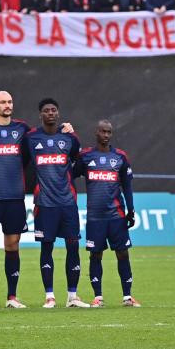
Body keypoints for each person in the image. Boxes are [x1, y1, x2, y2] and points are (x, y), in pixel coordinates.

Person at [0, 91, 72, 308]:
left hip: (15, 197)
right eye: (2, 102)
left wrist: (65, 129)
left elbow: (45, 136)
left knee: (12, 245)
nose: (7, 105)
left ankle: (12, 296)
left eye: (9, 102)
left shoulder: (22, 129)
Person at [22, 98, 90, 308]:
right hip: (44, 204)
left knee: (72, 247)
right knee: (46, 249)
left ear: (58, 114)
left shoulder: (69, 139)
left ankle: (72, 296)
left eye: (53, 110)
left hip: (67, 203)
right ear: (40, 115)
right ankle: (49, 296)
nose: (50, 113)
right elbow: (22, 164)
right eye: (46, 110)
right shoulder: (31, 138)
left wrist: (73, 133)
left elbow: (79, 163)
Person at [74, 120, 140, 307]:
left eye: (109, 132)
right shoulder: (86, 156)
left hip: (116, 216)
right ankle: (98, 297)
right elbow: (70, 175)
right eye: (103, 132)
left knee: (123, 254)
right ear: (96, 133)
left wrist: (131, 209)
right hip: (95, 217)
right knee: (96, 255)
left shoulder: (120, 157)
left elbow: (127, 185)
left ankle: (127, 296)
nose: (106, 135)